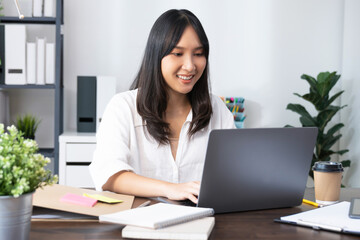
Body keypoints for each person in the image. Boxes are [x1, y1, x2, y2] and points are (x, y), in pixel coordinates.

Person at [89, 9, 235, 204]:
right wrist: (171, 189)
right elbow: (109, 175)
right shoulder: (123, 107)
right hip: (139, 223)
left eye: (198, 54)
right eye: (178, 53)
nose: (190, 65)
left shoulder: (217, 109)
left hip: (203, 221)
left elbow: (234, 175)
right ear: (156, 55)